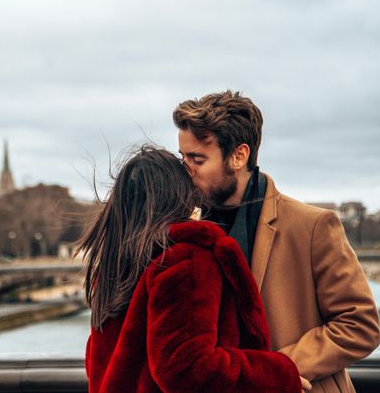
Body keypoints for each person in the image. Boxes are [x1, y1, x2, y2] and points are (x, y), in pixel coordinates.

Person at [173, 91, 380, 392]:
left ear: (239, 156)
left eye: (197, 159)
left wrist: (271, 373)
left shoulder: (312, 226)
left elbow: (360, 325)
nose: (186, 170)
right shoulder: (188, 230)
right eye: (183, 158)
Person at [79, 145, 303, 393]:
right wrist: (279, 374)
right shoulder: (185, 259)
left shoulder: (112, 268)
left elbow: (99, 362)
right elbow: (187, 369)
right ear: (178, 194)